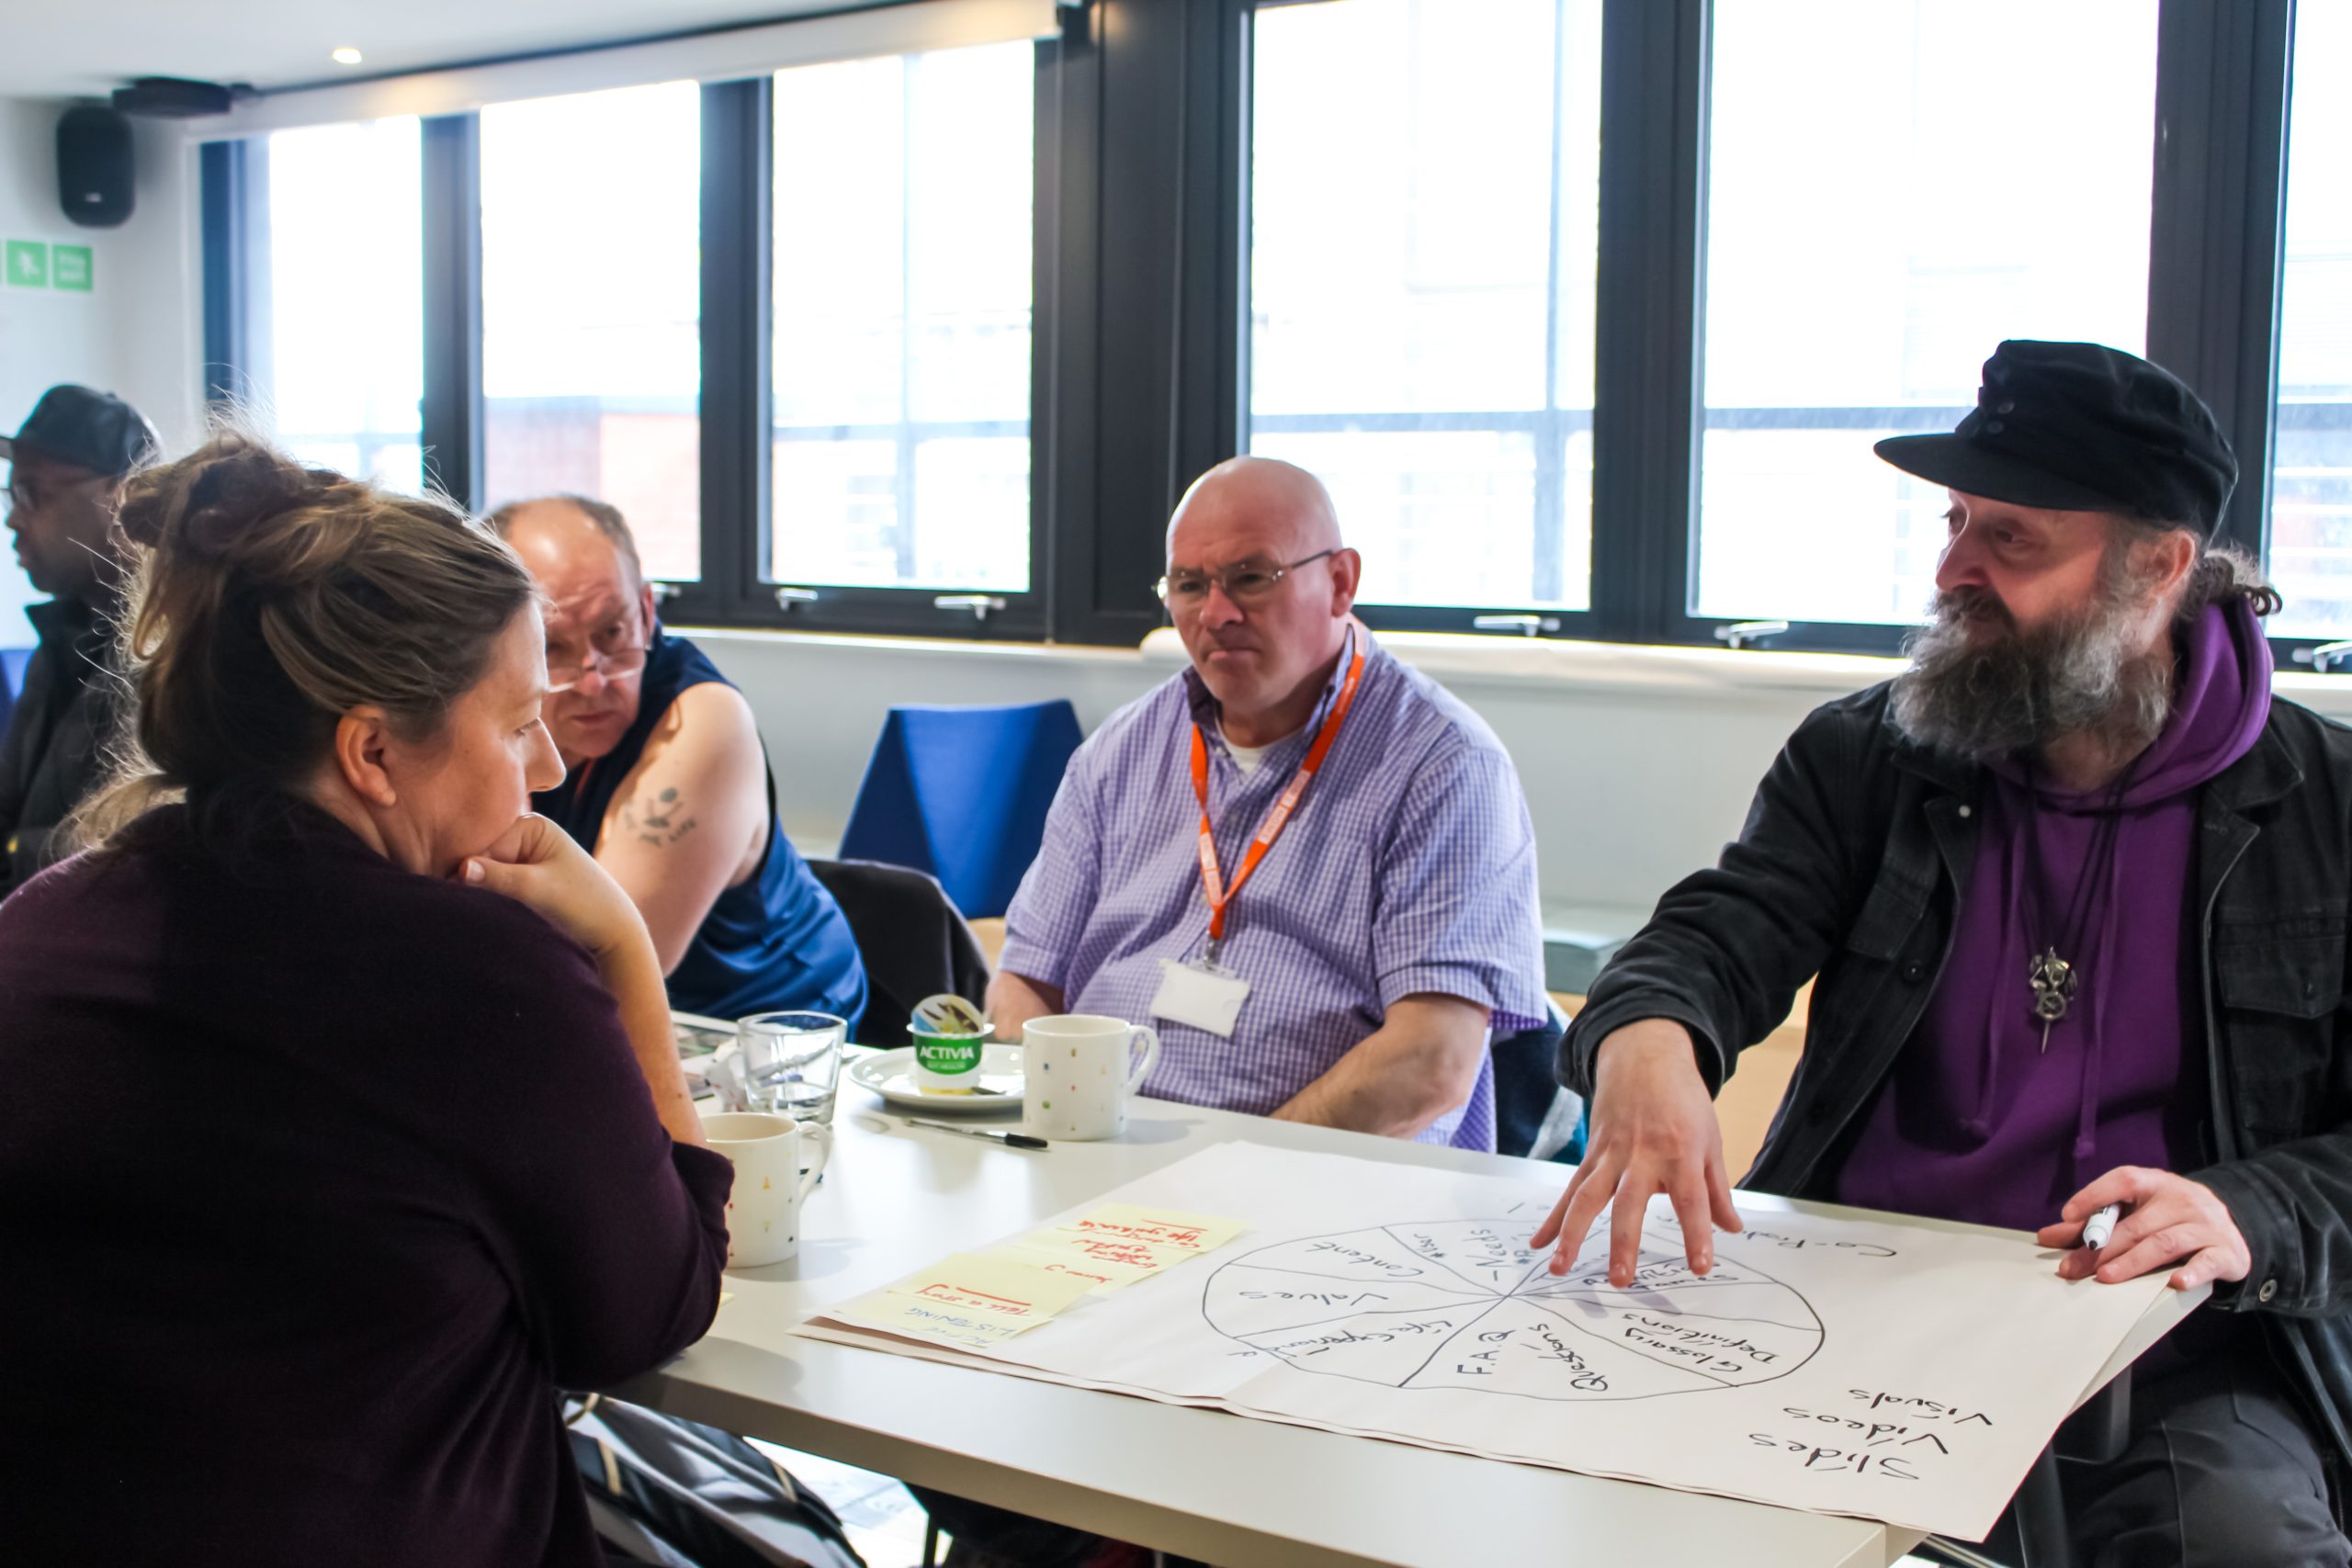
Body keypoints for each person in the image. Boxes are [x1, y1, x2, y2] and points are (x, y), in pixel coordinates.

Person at [1537, 340, 2352, 1565]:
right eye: (1957, 518)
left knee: (2250, 1547)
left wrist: (2247, 1208)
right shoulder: (1869, 755)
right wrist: (1647, 1033)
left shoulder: (2328, 807)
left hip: (2176, 1342)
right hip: (1852, 1303)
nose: (1951, 567)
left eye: (2011, 537)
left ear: (2160, 568)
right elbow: (1719, 932)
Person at [0, 434, 731, 1564]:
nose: (543, 768)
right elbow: (645, 1313)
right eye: (512, 723)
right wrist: (622, 952)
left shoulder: (37, 929)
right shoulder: (480, 980)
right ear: (374, 755)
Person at [991, 457, 1548, 1150]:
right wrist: (1060, 1133)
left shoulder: (1443, 766)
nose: (1215, 614)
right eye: (1189, 585)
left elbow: (1430, 1063)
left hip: (1317, 1194)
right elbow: (1025, 982)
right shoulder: (1119, 751)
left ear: (1340, 581)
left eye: (1251, 578)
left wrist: (1237, 1168)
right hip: (1099, 1169)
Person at [491, 495, 866, 1029]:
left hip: (777, 1027)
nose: (595, 679)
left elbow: (599, 960)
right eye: (553, 647)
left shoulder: (703, 722)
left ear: (646, 612)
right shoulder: (488, 709)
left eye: (613, 633)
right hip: (643, 1024)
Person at [0, 382, 158, 896]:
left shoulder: (168, 654)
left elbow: (134, 845)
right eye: (10, 493)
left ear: (120, 499)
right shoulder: (62, 636)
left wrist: (15, 854)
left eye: (32, 493)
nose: (12, 518)